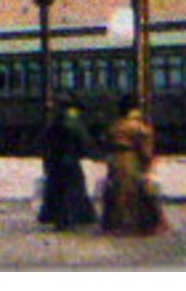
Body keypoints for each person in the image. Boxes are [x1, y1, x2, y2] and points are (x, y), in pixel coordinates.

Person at [101, 95, 166, 236]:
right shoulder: (138, 126)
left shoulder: (115, 125)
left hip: (115, 160)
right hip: (131, 160)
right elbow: (145, 148)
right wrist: (148, 162)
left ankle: (115, 223)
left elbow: (106, 142)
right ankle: (135, 224)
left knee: (117, 191)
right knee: (135, 191)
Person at [38, 98, 97, 231]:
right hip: (70, 161)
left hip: (55, 162)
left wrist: (47, 162)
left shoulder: (55, 122)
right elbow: (84, 141)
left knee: (57, 190)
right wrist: (93, 154)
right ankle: (71, 219)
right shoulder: (75, 122)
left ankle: (57, 218)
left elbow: (45, 143)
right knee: (73, 190)